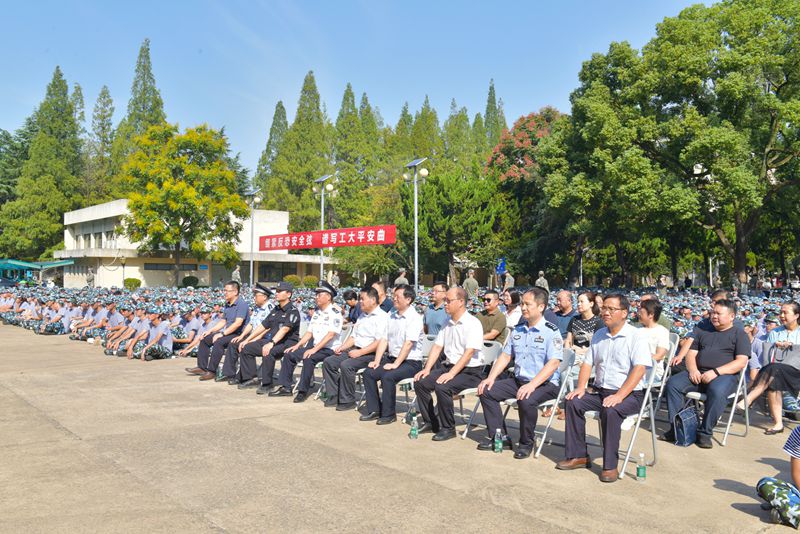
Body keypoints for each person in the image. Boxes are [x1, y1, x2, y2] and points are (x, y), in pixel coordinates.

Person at [556, 293, 651, 483]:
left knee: (610, 410)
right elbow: (587, 363)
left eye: (611, 309)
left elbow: (639, 369)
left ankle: (610, 465)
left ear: (624, 313)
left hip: (630, 395)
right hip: (601, 391)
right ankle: (578, 455)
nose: (605, 312)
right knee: (573, 401)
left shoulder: (636, 336)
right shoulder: (599, 335)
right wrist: (581, 387)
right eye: (604, 308)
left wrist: (620, 396)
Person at [477, 288, 563, 458]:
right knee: (486, 390)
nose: (523, 307)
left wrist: (532, 385)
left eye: (527, 304)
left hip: (545, 383)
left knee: (526, 399)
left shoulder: (551, 331)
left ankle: (526, 443)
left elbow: (554, 363)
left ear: (541, 307)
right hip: (519, 380)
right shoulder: (518, 330)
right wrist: (491, 378)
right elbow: (505, 356)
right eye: (522, 303)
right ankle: (500, 437)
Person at [662, 299, 750, 448]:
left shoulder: (740, 335)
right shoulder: (704, 330)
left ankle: (705, 433)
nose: (714, 316)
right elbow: (691, 354)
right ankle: (678, 428)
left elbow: (741, 362)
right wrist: (693, 370)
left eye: (718, 313)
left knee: (717, 391)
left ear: (731, 316)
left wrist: (715, 372)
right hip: (698, 372)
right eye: (713, 312)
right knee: (673, 384)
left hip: (724, 375)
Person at [414, 287, 484, 442]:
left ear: (461, 302)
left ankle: (448, 428)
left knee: (443, 387)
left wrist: (451, 374)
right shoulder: (447, 322)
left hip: (469, 371)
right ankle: (430, 422)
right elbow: (437, 346)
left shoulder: (473, 323)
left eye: (448, 300)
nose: (445, 303)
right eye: (445, 300)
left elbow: (469, 353)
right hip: (448, 366)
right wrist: (427, 369)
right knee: (421, 382)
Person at [361, 284, 425, 424]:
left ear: (408, 299)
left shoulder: (414, 317)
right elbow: (384, 339)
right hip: (392, 358)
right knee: (369, 373)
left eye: (397, 296)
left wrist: (396, 364)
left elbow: (408, 344)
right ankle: (374, 409)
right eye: (393, 296)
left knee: (388, 376)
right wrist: (377, 360)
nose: (394, 299)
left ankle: (388, 414)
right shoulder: (392, 314)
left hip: (410, 362)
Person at [272, 281, 343, 403]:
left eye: (319, 295)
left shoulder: (335, 313)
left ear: (328, 297)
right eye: (316, 295)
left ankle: (302, 391)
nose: (316, 297)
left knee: (309, 358)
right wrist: (297, 345)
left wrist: (314, 349)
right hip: (316, 348)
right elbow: (309, 333)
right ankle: (286, 387)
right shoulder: (317, 313)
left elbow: (330, 335)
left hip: (329, 349)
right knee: (289, 354)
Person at [322, 286, 388, 410]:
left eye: (362, 299)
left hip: (371, 354)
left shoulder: (382, 317)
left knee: (347, 365)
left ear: (373, 300)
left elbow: (379, 342)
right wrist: (342, 347)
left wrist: (360, 352)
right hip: (356, 350)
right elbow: (353, 337)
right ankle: (334, 395)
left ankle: (348, 399)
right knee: (329, 362)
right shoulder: (362, 316)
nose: (360, 302)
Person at [741, 302, 800, 435]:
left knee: (773, 371)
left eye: (785, 313)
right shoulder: (774, 333)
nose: (782, 315)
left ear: (796, 315)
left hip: (796, 375)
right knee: (773, 375)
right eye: (781, 312)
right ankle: (778, 424)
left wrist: (791, 347)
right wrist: (775, 346)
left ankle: (748, 399)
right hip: (776, 373)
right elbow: (766, 358)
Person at [237, 282, 301, 392]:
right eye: (276, 291)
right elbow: (263, 325)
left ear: (288, 294)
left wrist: (271, 343)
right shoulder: (276, 309)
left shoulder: (293, 311)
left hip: (287, 342)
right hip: (273, 341)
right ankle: (251, 378)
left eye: (280, 291)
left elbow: (285, 329)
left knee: (269, 351)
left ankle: (267, 384)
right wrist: (247, 340)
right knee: (246, 348)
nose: (277, 293)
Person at [185, 281, 249, 381]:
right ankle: (202, 367)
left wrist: (222, 334)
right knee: (205, 339)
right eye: (224, 290)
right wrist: (210, 331)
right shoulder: (228, 304)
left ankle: (212, 371)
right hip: (229, 333)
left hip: (239, 334)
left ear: (235, 292)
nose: (225, 293)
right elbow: (223, 321)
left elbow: (238, 323)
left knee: (219, 341)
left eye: (227, 291)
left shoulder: (242, 304)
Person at [218, 283, 274, 383]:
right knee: (234, 343)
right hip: (253, 336)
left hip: (264, 339)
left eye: (256, 295)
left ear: (264, 297)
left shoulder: (270, 308)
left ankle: (249, 377)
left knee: (245, 347)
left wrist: (251, 340)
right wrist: (242, 336)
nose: (254, 298)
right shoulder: (257, 308)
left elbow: (267, 329)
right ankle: (229, 374)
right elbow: (250, 324)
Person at [757, 426, 800, 527]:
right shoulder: (798, 433)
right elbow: (796, 473)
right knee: (765, 484)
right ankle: (789, 508)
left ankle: (785, 509)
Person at [636, 298, 671, 383]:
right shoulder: (637, 329)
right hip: (635, 368)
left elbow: (659, 356)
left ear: (651, 314)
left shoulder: (662, 331)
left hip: (651, 372)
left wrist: (639, 360)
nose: (638, 314)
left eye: (641, 312)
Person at [565, 291, 602, 358]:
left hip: (590, 357)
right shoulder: (574, 319)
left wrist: (581, 351)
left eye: (582, 302)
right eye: (578, 302)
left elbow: (598, 346)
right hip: (574, 356)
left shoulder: (598, 322)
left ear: (591, 304)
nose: (579, 304)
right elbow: (568, 340)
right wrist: (568, 351)